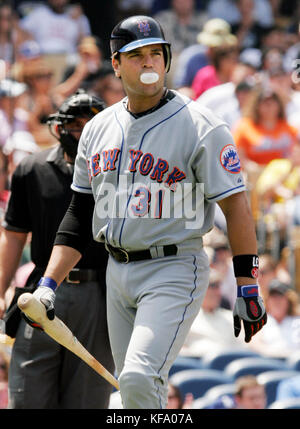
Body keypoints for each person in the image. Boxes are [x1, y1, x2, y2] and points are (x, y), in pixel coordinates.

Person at [26, 15, 267, 409]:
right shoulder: (98, 127)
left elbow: (236, 205)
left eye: (157, 53)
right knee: (135, 394)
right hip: (117, 272)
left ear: (168, 60)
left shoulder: (202, 125)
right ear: (116, 64)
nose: (149, 63)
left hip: (174, 265)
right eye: (137, 55)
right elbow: (78, 215)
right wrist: (48, 285)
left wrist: (247, 281)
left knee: (138, 377)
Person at [0, 90, 114, 409]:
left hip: (99, 292)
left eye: (91, 123)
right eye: (76, 124)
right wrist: (1, 289)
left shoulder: (120, 172)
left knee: (87, 401)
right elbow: (14, 235)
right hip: (43, 287)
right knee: (27, 394)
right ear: (59, 127)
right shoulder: (31, 170)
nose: (84, 131)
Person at [179, 268, 246, 358]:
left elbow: (244, 348)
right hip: (199, 365)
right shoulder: (185, 317)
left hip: (229, 364)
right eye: (212, 286)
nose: (217, 292)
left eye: (218, 286)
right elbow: (177, 350)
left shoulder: (231, 317)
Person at [248, 279, 300, 358]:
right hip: (269, 364)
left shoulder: (297, 321)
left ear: (288, 300)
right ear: (267, 300)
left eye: (280, 297)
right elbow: (254, 345)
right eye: (273, 297)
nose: (277, 301)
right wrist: (276, 354)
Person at [19, 0, 91, 55]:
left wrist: (79, 23)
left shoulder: (77, 16)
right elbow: (22, 34)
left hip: (69, 59)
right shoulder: (38, 14)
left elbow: (86, 44)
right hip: (42, 58)